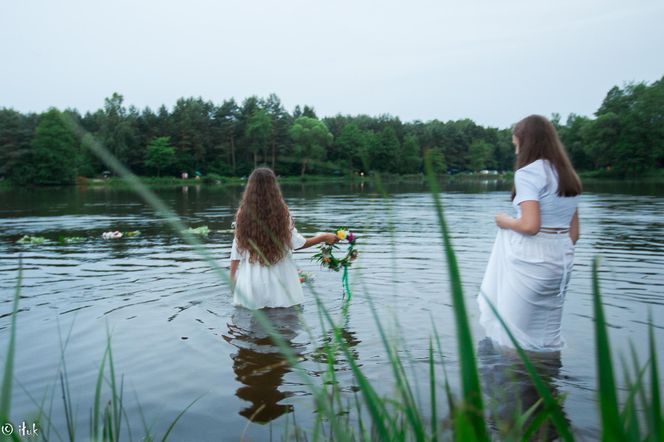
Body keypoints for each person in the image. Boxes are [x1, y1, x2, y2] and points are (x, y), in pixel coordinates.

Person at [478, 115, 582, 352]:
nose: (516, 152)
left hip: (532, 261)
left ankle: (519, 384)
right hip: (562, 261)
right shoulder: (567, 175)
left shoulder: (528, 174)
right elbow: (574, 233)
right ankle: (550, 386)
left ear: (526, 143)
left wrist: (505, 221)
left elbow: (530, 225)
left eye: (516, 146)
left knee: (513, 337)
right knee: (547, 338)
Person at [230, 167, 337, 309]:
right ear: (274, 187)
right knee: (286, 323)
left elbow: (237, 247)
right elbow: (297, 243)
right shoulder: (282, 212)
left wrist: (232, 277)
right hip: (281, 280)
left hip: (251, 281)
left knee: (251, 324)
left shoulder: (242, 213)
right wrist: (323, 237)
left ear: (250, 187)